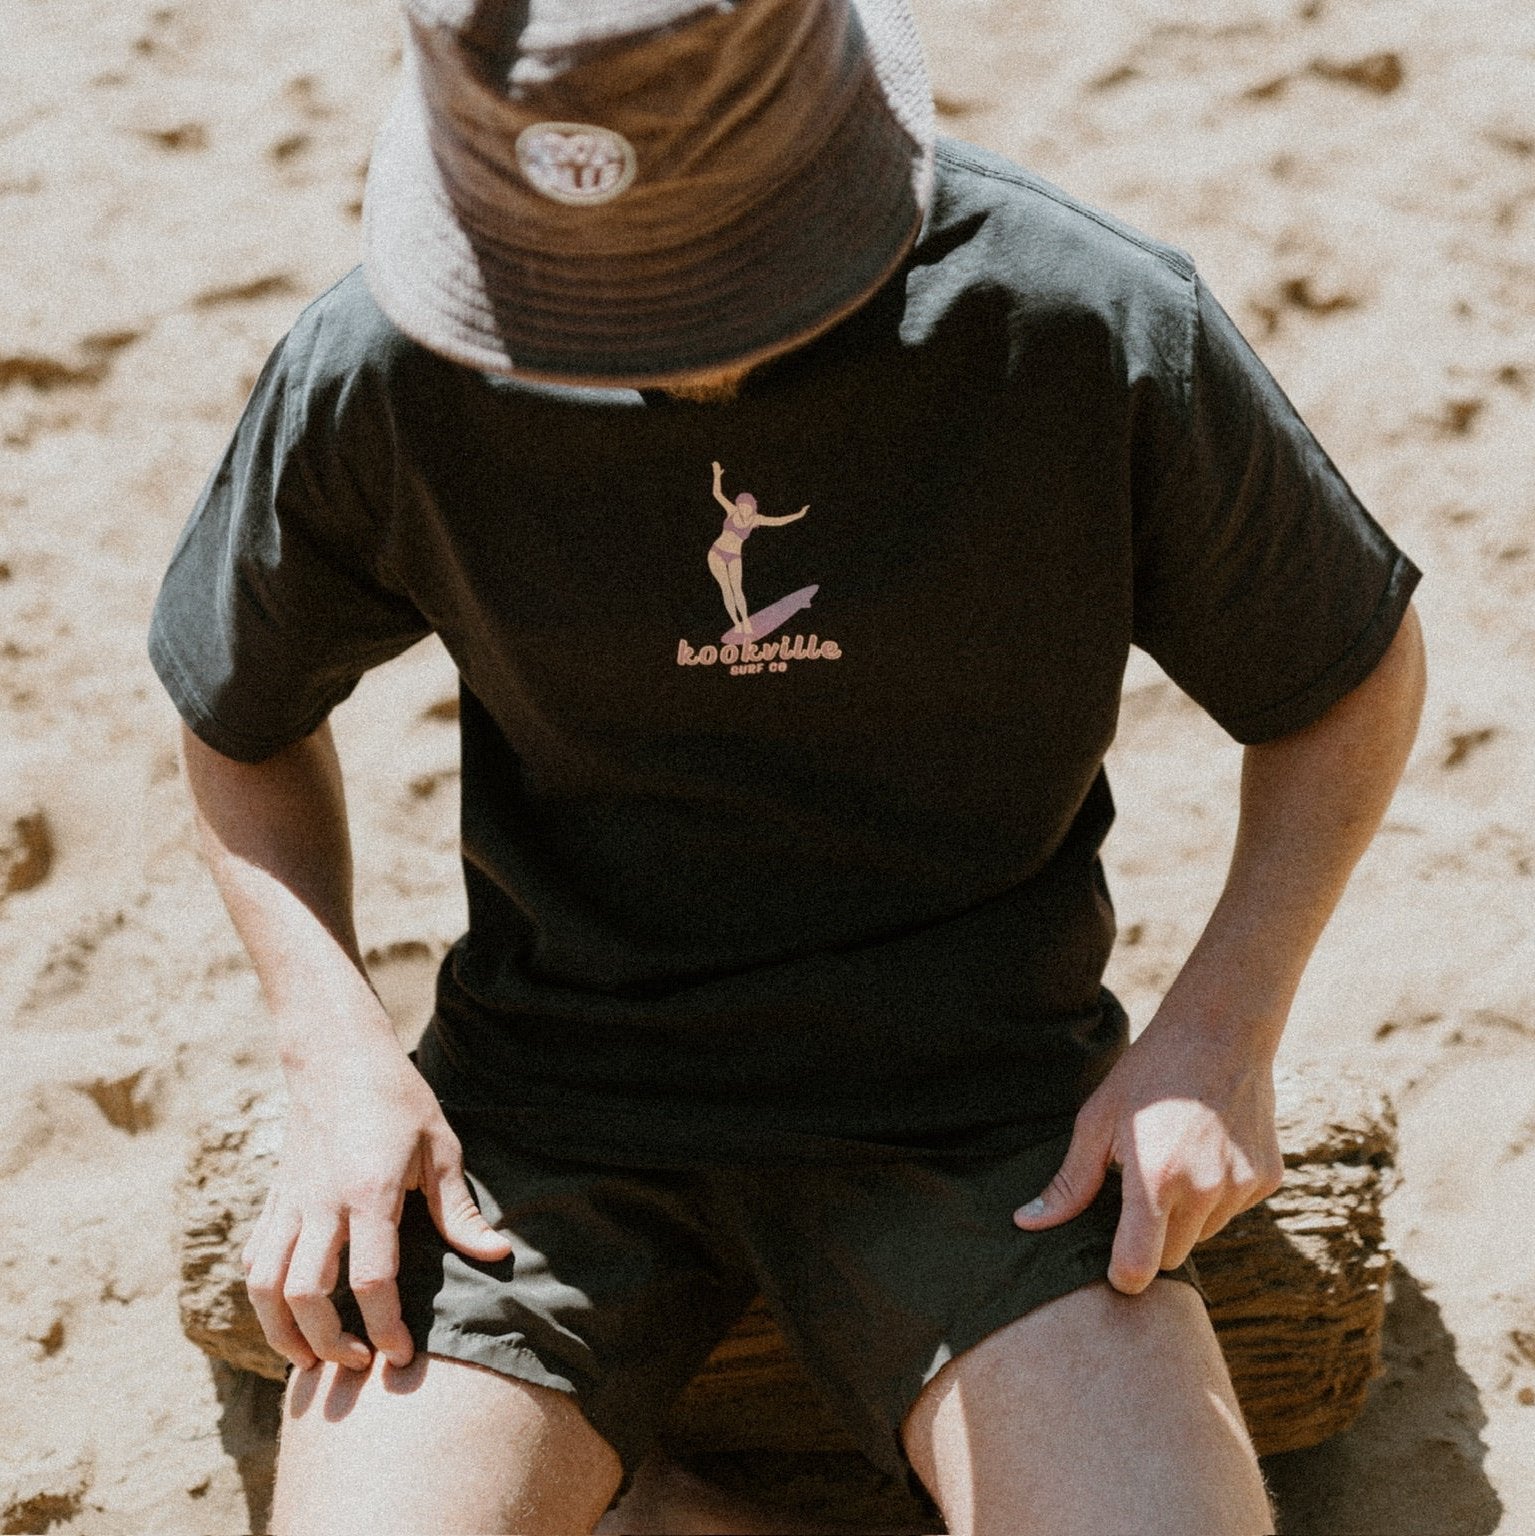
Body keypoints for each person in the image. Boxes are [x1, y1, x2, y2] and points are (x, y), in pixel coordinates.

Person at [148, 0, 1425, 1532]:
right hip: (544, 1119)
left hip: (987, 1108)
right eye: (583, 310)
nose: (644, 360)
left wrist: (1217, 1036)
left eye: (697, 300)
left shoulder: (1084, 321)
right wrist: (338, 1059)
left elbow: (1342, 683)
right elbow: (238, 718)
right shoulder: (386, 362)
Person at [706, 460, 809, 639]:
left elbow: (778, 521)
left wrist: (798, 515)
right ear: (738, 505)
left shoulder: (756, 519)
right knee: (726, 589)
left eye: (747, 506)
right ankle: (736, 623)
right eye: (741, 506)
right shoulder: (732, 511)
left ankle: (746, 621)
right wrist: (716, 475)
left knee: (737, 589)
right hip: (716, 553)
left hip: (734, 555)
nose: (743, 509)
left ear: (752, 507)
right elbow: (717, 494)